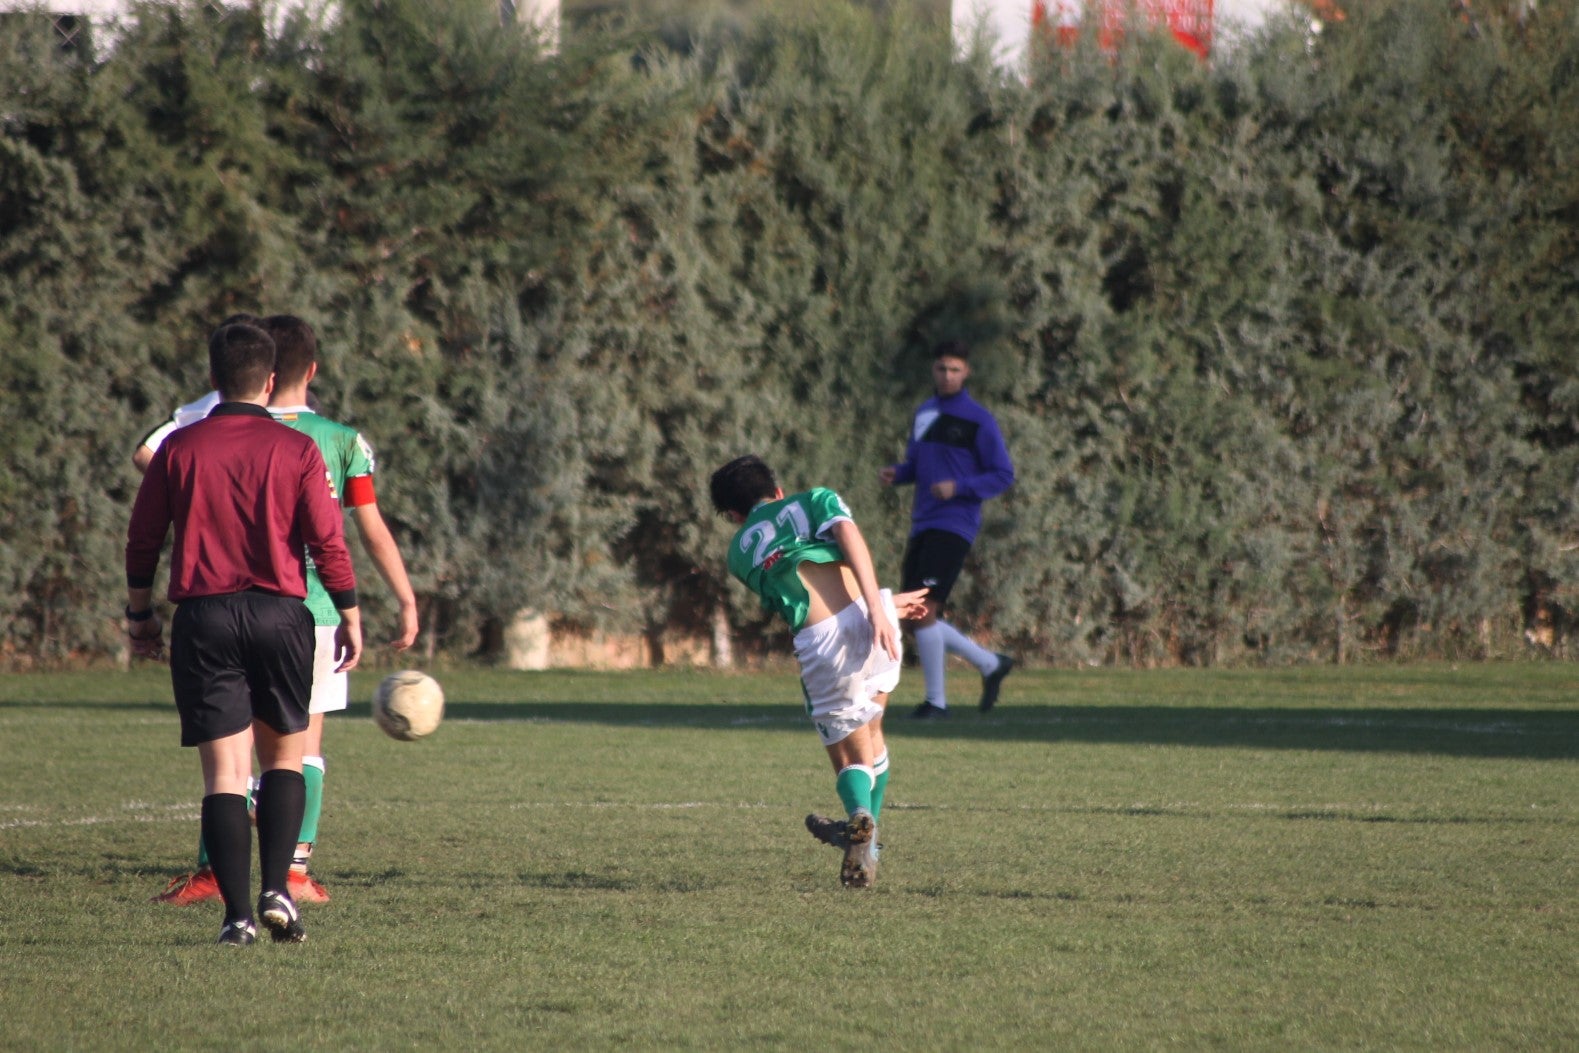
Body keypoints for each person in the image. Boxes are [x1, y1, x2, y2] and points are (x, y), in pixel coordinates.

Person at [148, 314, 420, 908]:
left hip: (218, 605)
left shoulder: (202, 430)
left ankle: (215, 876)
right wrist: (397, 597)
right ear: (307, 372)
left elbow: (147, 456)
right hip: (309, 612)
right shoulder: (339, 440)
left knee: (227, 756)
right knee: (299, 751)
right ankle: (292, 873)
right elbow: (358, 530)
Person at [126, 321, 364, 946]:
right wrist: (351, 612)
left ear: (213, 379)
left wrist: (139, 615)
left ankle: (236, 919)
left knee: (225, 776)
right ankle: (278, 889)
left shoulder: (181, 446)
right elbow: (328, 540)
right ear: (272, 381)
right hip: (281, 615)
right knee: (285, 758)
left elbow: (144, 538)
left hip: (204, 618)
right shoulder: (297, 449)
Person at [710, 454, 928, 889]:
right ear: (777, 490)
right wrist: (883, 609)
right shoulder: (813, 499)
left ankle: (860, 821)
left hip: (825, 642)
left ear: (734, 515)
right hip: (873, 622)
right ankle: (869, 842)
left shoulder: (738, 553)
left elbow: (807, 592)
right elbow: (846, 534)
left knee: (849, 756)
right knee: (874, 732)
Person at [880, 340, 1017, 719]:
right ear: (933, 370)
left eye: (955, 369)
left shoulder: (978, 419)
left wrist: (959, 488)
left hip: (955, 522)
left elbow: (1003, 474)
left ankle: (936, 702)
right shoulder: (924, 413)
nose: (948, 375)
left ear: (966, 372)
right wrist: (899, 474)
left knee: (922, 607)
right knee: (913, 614)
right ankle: (990, 664)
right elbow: (917, 465)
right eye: (942, 368)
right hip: (922, 520)